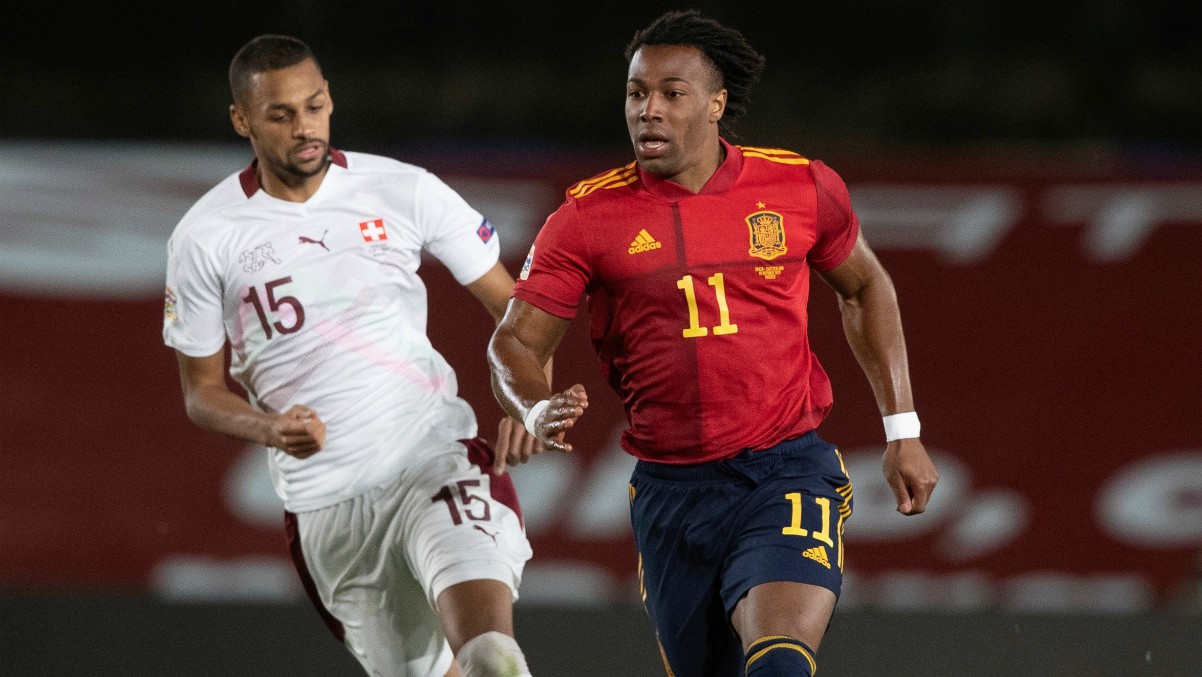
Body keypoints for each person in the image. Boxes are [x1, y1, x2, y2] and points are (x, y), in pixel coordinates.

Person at [488, 10, 938, 677]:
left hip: (786, 470)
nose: (649, 110)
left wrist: (902, 428)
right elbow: (514, 346)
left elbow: (865, 286)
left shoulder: (799, 186)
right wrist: (530, 407)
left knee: (780, 661)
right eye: (638, 94)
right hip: (672, 494)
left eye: (673, 93)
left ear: (717, 104)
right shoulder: (586, 218)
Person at [163, 34, 539, 677]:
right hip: (329, 511)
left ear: (330, 99)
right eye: (280, 114)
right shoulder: (205, 237)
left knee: (491, 657)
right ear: (242, 120)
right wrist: (268, 430)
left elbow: (522, 314)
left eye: (314, 106)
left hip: (434, 460)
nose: (304, 127)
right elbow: (201, 393)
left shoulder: (403, 190)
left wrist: (528, 400)